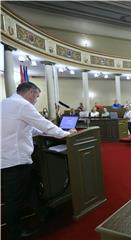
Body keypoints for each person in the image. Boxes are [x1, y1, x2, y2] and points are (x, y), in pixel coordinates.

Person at [1, 82, 76, 240]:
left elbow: (27, 128)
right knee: (13, 199)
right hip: (15, 160)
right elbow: (45, 125)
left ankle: (44, 213)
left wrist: (47, 131)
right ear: (30, 92)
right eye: (36, 96)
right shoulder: (22, 105)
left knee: (31, 187)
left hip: (10, 158)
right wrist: (66, 134)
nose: (36, 100)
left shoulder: (6, 103)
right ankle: (15, 233)